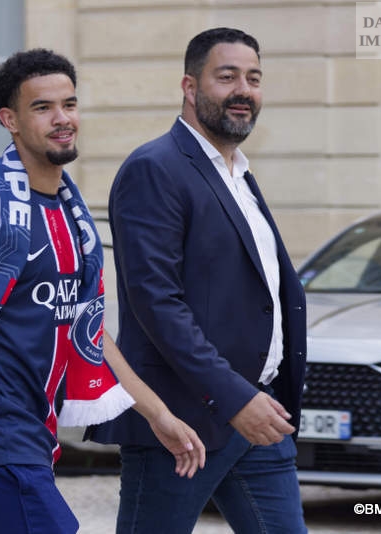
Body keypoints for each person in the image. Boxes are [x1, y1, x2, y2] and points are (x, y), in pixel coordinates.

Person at [0, 48, 205, 534]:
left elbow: (84, 331)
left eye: (69, 104)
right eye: (42, 108)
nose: (62, 119)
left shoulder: (72, 216)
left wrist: (158, 415)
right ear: (11, 120)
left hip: (28, 432)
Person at [87, 27, 308, 533]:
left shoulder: (240, 175)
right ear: (190, 87)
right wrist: (235, 398)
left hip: (260, 413)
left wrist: (257, 396)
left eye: (253, 78)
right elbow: (157, 304)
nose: (243, 90)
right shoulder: (155, 168)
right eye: (226, 76)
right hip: (182, 420)